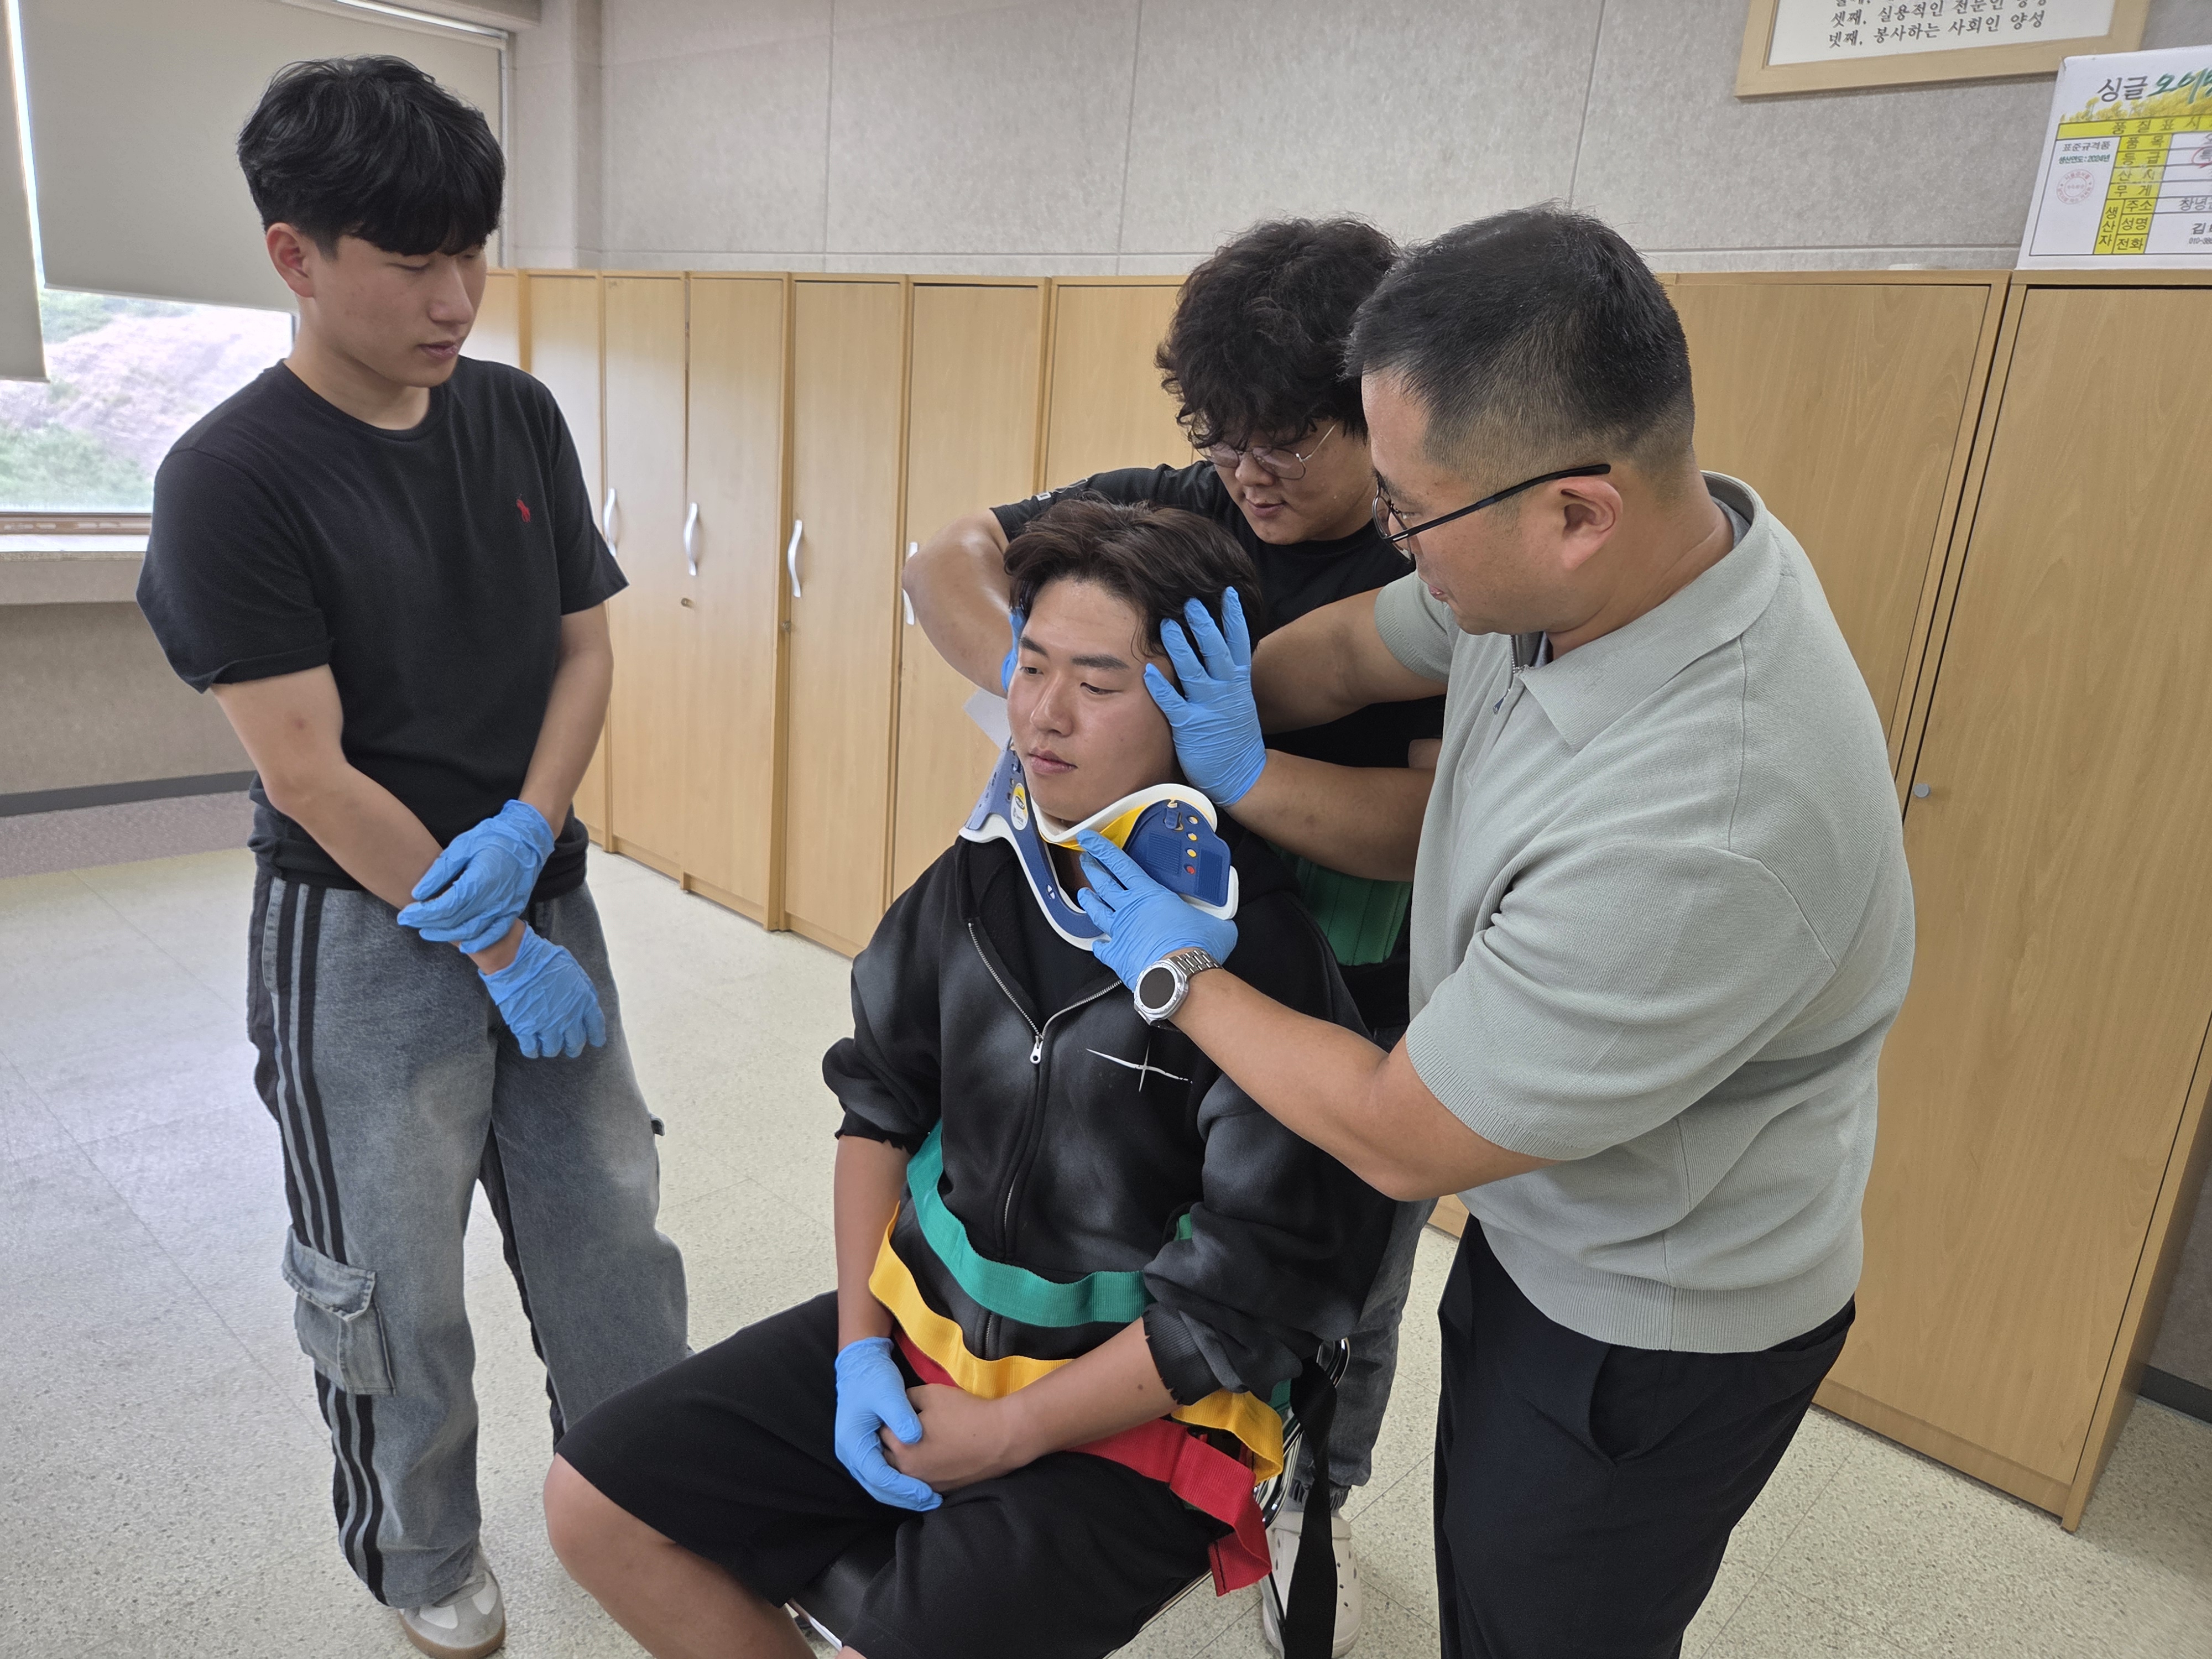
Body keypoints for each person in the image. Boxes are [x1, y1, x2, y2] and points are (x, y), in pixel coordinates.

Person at [1070, 207, 1916, 1658]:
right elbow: (1356, 652)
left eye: (1407, 514)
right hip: (1549, 1218)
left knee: (1537, 1619)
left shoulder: (1706, 820)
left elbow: (1401, 1133)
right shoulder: (1615, 557)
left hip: (1650, 1315)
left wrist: (1171, 964)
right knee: (1486, 1549)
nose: (1391, 543)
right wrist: (1163, 722)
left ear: (1576, 510)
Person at [542, 498, 1394, 1659]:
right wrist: (858, 1348)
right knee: (594, 1503)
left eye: (1097, 683)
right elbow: (878, 1107)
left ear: (1193, 705)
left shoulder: (1260, 960)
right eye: (1030, 666)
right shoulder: (985, 878)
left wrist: (1011, 1434)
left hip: (1143, 1400)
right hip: (930, 1331)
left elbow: (1244, 1302)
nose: (1042, 714)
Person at [135, 58, 686, 1659]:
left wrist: (529, 836)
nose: (456, 298)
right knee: (389, 1275)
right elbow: (306, 768)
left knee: (610, 1234)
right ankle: (421, 1548)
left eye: (474, 254)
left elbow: (584, 650)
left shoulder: (515, 413)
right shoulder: (229, 478)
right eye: (412, 262)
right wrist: (485, 936)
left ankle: (642, 1501)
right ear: (295, 256)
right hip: (363, 932)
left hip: (543, 892)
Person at [902, 219, 1438, 1650]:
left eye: (1286, 444)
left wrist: (1238, 771)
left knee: (1341, 1278)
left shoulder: (1429, 566)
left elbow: (1420, 826)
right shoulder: (1176, 506)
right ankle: (1095, 1442)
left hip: (1336, 993)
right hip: (1134, 974)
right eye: (1224, 439)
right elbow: (942, 557)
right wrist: (1047, 688)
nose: (1248, 474)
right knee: (1126, 1222)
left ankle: (1314, 1489)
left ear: (1374, 411)